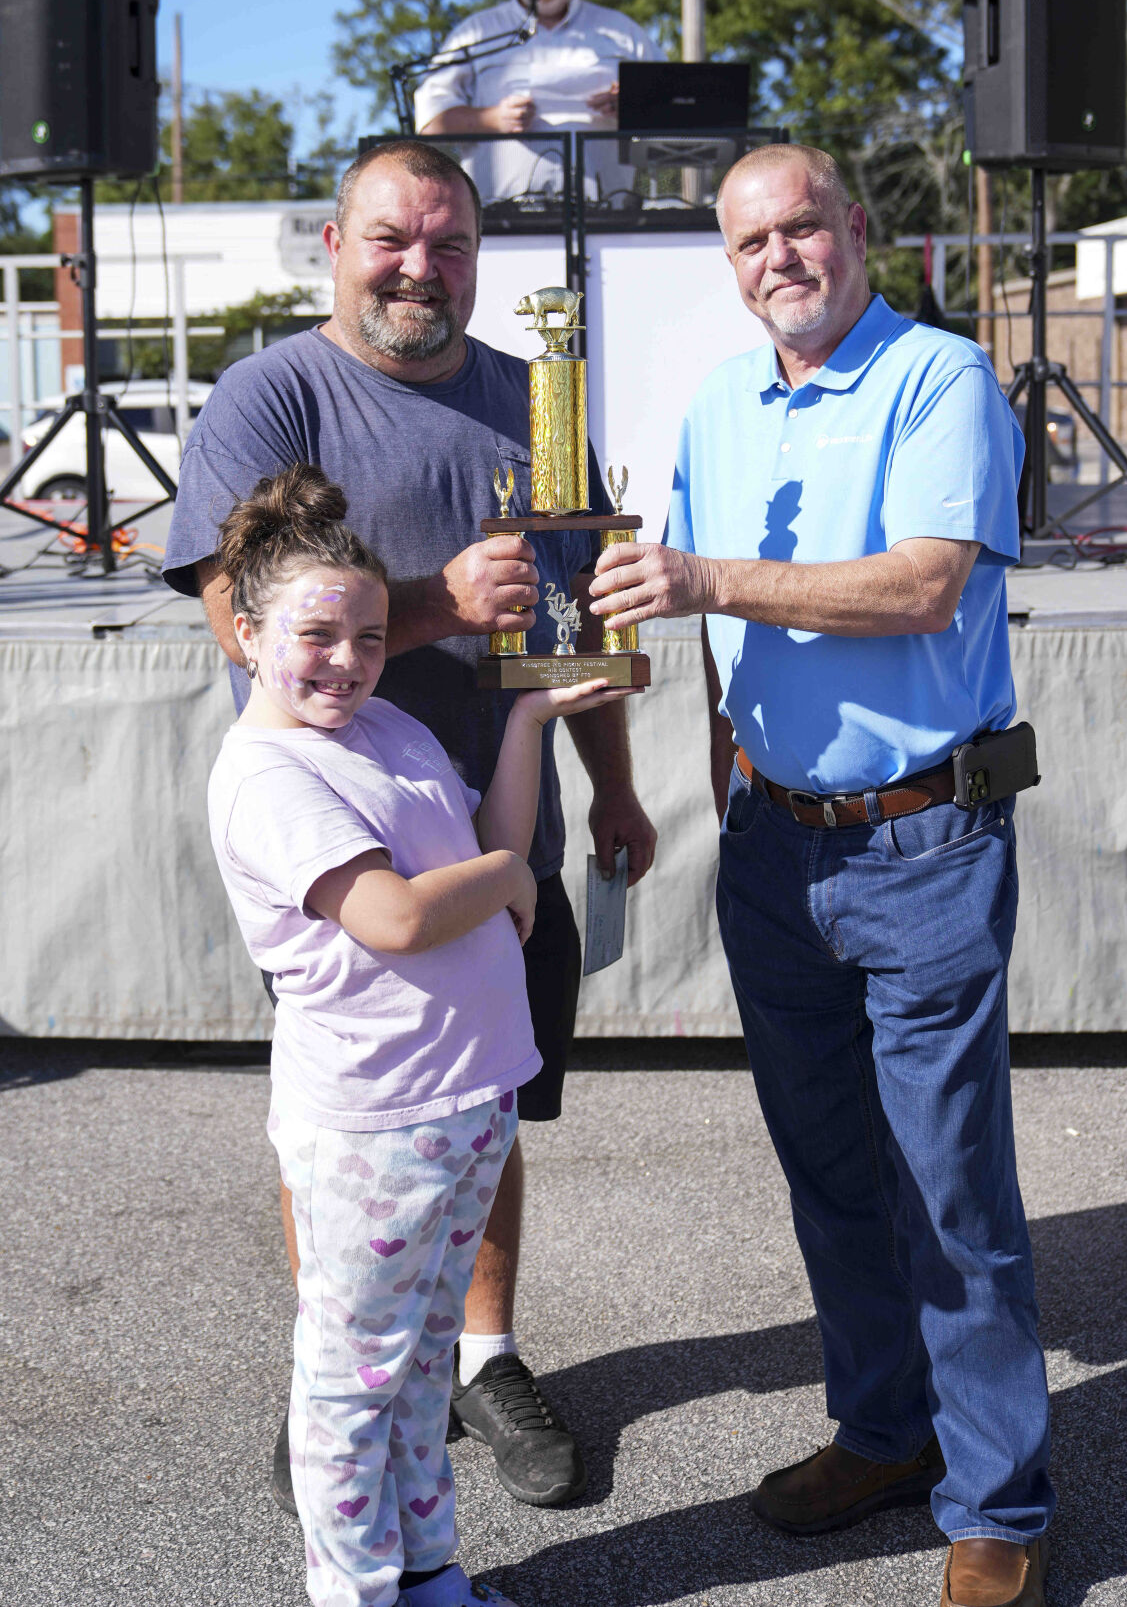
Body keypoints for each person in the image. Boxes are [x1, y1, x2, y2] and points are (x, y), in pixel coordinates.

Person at [589, 142, 1054, 1607]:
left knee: (943, 1189)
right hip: (775, 845)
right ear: (726, 268)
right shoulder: (720, 403)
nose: (777, 256)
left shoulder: (937, 378)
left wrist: (705, 581)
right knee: (830, 1176)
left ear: (856, 230)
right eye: (748, 243)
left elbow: (920, 580)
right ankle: (884, 1429)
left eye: (801, 227)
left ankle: (998, 1507)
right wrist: (721, 763)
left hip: (921, 840)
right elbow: (710, 632)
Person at [163, 138, 657, 1513]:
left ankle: (479, 1353)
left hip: (505, 844)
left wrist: (611, 779)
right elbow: (233, 613)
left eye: (446, 245)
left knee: (488, 1107)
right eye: (391, 238)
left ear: (476, 256)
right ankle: (342, 1360)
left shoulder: (529, 397)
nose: (417, 268)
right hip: (347, 859)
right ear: (333, 241)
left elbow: (577, 612)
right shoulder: (274, 395)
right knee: (342, 1125)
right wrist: (435, 605)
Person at [209, 464, 631, 1607]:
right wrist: (505, 880)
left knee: (418, 1373)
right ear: (246, 634)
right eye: (316, 634)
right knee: (351, 1380)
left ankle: (429, 1569)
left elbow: (483, 836)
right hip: (375, 1122)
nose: (346, 660)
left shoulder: (382, 722)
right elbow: (396, 913)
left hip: (463, 1099)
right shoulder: (266, 772)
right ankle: (357, 1590)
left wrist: (532, 713)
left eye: (369, 636)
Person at [415, 0, 661, 202]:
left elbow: (679, 109)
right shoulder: (477, 33)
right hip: (501, 227)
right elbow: (430, 120)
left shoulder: (624, 33)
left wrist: (634, 106)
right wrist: (492, 119)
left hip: (607, 223)